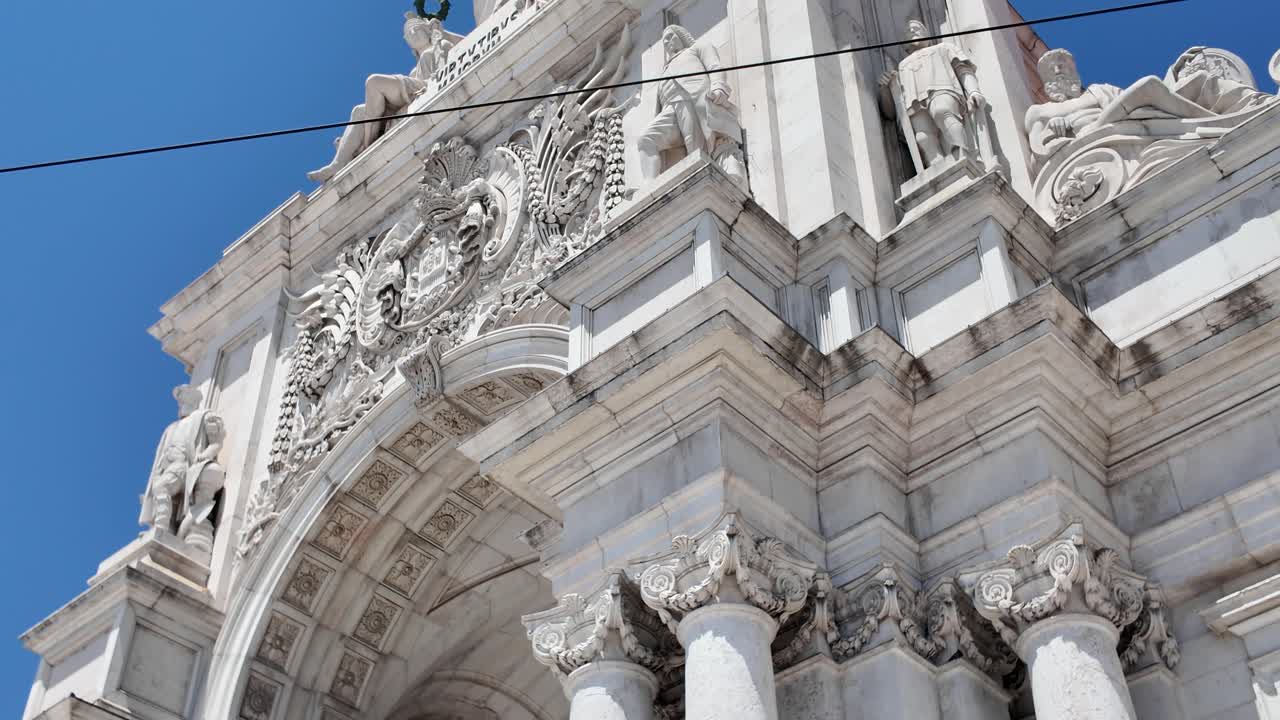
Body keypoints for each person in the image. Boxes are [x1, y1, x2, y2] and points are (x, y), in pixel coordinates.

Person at [308, 14, 453, 182]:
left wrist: (442, 32)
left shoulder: (440, 46)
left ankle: (367, 145)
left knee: (374, 82)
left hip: (424, 87)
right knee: (359, 111)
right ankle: (338, 163)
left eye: (417, 28)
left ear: (428, 31)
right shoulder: (416, 68)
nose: (413, 33)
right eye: (408, 33)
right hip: (410, 92)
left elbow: (469, 40)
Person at [637, 25, 744, 183]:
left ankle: (711, 180)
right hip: (670, 108)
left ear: (681, 36)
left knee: (696, 149)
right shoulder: (664, 69)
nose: (667, 42)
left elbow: (714, 67)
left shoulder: (697, 48)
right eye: (664, 41)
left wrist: (718, 86)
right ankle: (649, 184)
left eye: (670, 36)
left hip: (692, 99)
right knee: (645, 139)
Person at [879, 20, 985, 172]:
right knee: (922, 135)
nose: (913, 31)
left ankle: (961, 152)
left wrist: (974, 90)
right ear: (903, 43)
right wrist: (885, 87)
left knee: (942, 111)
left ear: (927, 33)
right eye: (908, 31)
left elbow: (963, 69)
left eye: (917, 28)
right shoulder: (901, 68)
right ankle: (937, 168)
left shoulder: (943, 48)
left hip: (943, 89)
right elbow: (890, 112)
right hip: (914, 105)